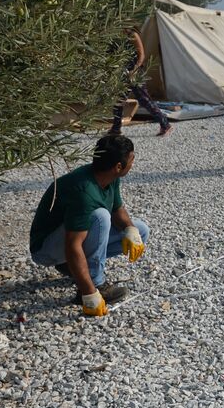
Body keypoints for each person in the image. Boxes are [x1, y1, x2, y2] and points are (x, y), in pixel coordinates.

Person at [28, 135, 149, 317]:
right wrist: (89, 293)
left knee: (141, 230)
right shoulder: (83, 191)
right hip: (46, 248)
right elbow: (72, 244)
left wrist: (130, 230)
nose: (133, 162)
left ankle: (73, 267)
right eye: (132, 159)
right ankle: (95, 284)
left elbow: (118, 208)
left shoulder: (108, 176)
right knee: (100, 218)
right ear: (118, 166)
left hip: (71, 238)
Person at [110, 27, 171, 137]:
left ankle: (165, 124)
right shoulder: (114, 35)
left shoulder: (132, 34)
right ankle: (116, 128)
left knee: (144, 99)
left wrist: (134, 70)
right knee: (118, 100)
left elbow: (141, 55)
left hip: (135, 72)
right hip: (122, 72)